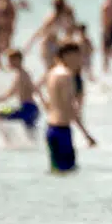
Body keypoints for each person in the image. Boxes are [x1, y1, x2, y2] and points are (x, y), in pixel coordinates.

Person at [42, 42, 98, 172]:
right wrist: (86, 134)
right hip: (62, 130)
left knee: (57, 173)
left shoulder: (52, 73)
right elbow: (69, 107)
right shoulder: (66, 75)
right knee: (69, 172)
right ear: (68, 55)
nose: (80, 60)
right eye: (78, 56)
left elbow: (48, 101)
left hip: (51, 129)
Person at [0, 49, 42, 144]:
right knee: (32, 137)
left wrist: (45, 102)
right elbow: (8, 95)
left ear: (17, 60)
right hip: (31, 109)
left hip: (27, 108)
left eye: (10, 61)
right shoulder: (21, 75)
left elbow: (34, 89)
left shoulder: (23, 75)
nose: (8, 64)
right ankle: (17, 143)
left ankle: (10, 142)